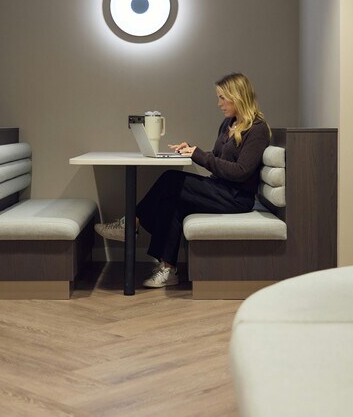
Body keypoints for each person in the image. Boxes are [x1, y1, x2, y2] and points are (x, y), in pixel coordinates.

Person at [95, 72, 271, 288]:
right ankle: (168, 269)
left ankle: (131, 224)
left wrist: (199, 155)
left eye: (222, 98)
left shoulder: (257, 129)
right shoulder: (229, 123)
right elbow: (217, 157)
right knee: (174, 201)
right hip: (219, 188)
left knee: (171, 179)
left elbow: (241, 171)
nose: (219, 104)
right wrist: (192, 150)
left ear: (238, 96)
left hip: (236, 198)